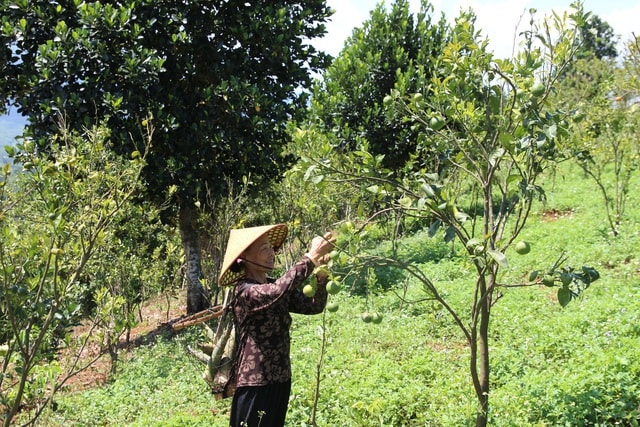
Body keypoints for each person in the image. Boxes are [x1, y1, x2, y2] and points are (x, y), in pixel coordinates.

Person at [217, 223, 335, 427]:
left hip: (280, 379)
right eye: (264, 248)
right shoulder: (245, 291)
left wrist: (321, 277)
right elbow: (275, 291)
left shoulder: (272, 286)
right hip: (255, 383)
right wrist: (311, 257)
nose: (272, 252)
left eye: (271, 247)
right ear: (243, 258)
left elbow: (313, 306)